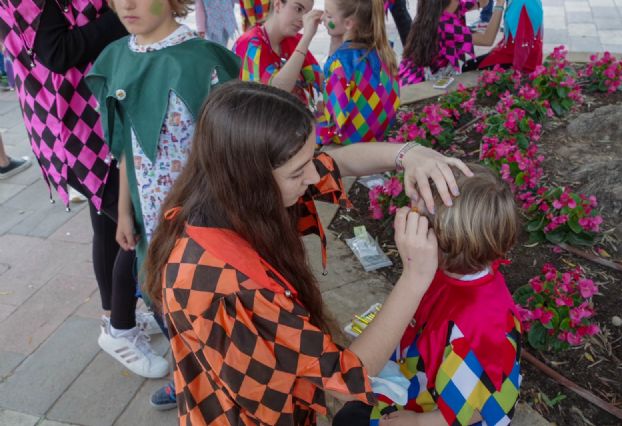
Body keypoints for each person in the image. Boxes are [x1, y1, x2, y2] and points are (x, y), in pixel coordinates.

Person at [143, 81, 472, 425]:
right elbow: (346, 379)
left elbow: (339, 161)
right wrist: (415, 277)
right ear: (251, 179)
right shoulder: (229, 283)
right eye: (298, 172)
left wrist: (408, 154)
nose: (314, 175)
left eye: (310, 159)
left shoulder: (220, 196)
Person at [85, 0, 241, 410]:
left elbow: (228, 149)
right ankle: (186, 371)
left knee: (209, 300)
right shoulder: (117, 56)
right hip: (148, 216)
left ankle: (223, 374)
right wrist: (122, 211)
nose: (126, 5)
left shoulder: (202, 60)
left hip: (204, 216)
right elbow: (124, 147)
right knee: (162, 297)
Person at [0, 0, 166, 379]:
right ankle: (121, 327)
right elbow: (57, 53)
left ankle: (116, 318)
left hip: (96, 116)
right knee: (141, 225)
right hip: (74, 132)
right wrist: (123, 15)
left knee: (109, 223)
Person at [333, 164, 522, 426]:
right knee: (349, 416)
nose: (408, 215)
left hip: (441, 418)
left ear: (444, 242)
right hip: (420, 387)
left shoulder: (481, 326)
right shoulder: (445, 269)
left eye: (419, 218)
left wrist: (418, 422)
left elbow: (482, 405)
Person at [317, 0, 400, 146]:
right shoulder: (383, 51)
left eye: (329, 16)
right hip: (377, 135)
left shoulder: (341, 64)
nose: (322, 18)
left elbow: (333, 127)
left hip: (351, 143)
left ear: (349, 24)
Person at [233, 0, 324, 110]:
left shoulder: (294, 40)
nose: (302, 20)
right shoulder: (251, 44)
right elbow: (275, 94)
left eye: (307, 14)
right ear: (278, 5)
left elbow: (320, 81)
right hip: (258, 123)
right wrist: (307, 38)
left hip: (291, 121)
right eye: (298, 9)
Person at [398, 0, 505, 86]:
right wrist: (500, 4)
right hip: (417, 82)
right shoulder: (444, 25)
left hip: (412, 71)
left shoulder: (439, 9)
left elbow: (482, 2)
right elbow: (487, 39)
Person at [475, 0, 543, 72]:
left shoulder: (522, 3)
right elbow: (511, 35)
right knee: (474, 63)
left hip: (519, 60)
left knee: (469, 66)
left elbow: (524, 44)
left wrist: (516, 74)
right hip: (514, 53)